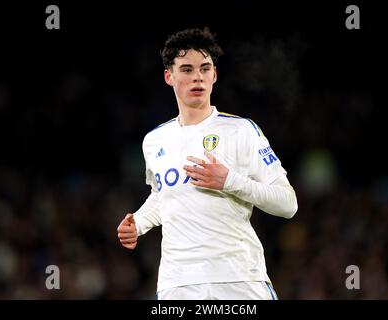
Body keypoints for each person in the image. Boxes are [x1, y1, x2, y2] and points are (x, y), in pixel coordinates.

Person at [117, 27, 298, 300]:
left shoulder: (242, 131)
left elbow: (288, 204)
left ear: (214, 75)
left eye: (204, 68)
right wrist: (138, 223)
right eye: (187, 69)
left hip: (238, 279)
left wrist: (229, 181)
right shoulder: (154, 141)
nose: (197, 77)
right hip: (178, 284)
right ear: (169, 76)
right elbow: (162, 195)